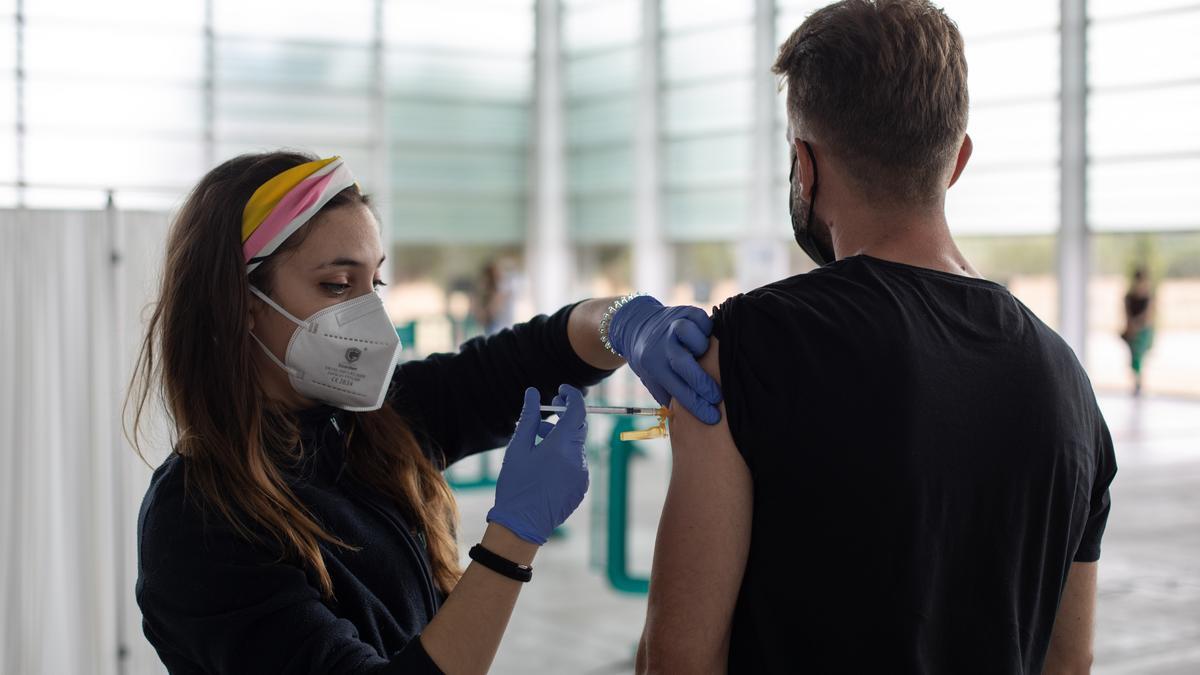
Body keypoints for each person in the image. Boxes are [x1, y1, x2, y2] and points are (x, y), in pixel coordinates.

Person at [634, 2, 1117, 673]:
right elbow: (1070, 661)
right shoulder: (1069, 386)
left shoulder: (750, 347)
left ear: (804, 164)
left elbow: (678, 660)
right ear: (957, 160)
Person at [128, 151, 723, 674]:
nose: (370, 316)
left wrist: (623, 322)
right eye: (337, 285)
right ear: (241, 303)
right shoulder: (198, 522)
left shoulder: (368, 423)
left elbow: (526, 356)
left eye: (375, 282)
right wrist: (512, 538)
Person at [1122, 265, 1155, 395]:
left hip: (1143, 332)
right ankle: (1137, 384)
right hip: (1132, 332)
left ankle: (1138, 385)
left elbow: (1148, 316)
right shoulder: (1129, 297)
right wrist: (1132, 327)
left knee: (1138, 359)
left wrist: (1137, 326)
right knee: (1134, 360)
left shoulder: (1148, 298)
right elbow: (1127, 315)